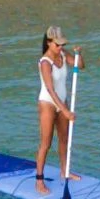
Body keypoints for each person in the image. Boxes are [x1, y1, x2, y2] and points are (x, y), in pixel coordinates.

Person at [32, 27, 82, 187]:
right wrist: (66, 111)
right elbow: (50, 90)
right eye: (57, 44)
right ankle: (39, 181)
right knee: (46, 143)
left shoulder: (62, 54)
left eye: (62, 44)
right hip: (48, 104)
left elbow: (80, 65)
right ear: (48, 43)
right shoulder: (45, 62)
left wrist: (78, 54)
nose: (60, 47)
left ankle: (64, 171)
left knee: (64, 139)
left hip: (62, 101)